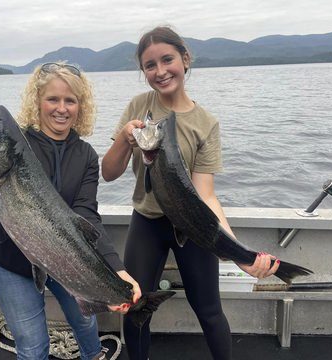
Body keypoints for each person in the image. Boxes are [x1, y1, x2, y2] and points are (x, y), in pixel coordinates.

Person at [101, 26, 280, 360]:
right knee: (136, 309)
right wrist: (126, 139)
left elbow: (206, 196)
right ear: (143, 72)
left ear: (185, 59)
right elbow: (109, 174)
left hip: (192, 225)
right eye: (149, 66)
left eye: (167, 60)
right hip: (147, 222)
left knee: (210, 311)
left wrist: (241, 255)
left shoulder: (206, 123)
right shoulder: (139, 106)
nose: (160, 71)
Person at [0, 62, 141, 360]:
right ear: (37, 101)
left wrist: (116, 270)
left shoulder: (86, 156)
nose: (61, 108)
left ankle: (92, 354)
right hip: (12, 262)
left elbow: (86, 215)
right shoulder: (16, 146)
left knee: (85, 320)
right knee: (32, 347)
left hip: (65, 258)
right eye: (53, 99)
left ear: (80, 106)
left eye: (70, 100)